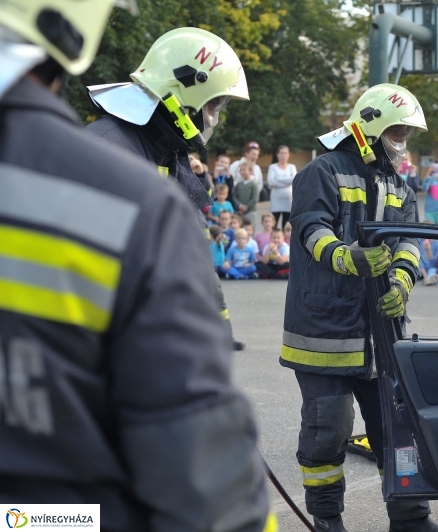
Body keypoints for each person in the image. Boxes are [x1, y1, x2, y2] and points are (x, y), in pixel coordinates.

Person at [0, 3, 273, 530]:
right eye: (213, 103)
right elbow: (202, 478)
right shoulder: (123, 185)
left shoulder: (138, 156)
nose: (214, 118)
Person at [281, 83, 438, 532]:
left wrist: (401, 278)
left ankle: (411, 518)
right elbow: (310, 229)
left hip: (380, 332)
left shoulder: (398, 183)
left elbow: (408, 241)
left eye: (407, 133)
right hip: (324, 330)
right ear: (371, 127)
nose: (403, 141)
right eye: (397, 131)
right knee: (327, 431)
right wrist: (347, 257)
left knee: (399, 432)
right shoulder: (322, 172)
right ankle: (326, 520)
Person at [85, 27, 248, 351]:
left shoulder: (167, 155)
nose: (213, 120)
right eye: (214, 106)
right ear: (182, 96)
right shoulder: (102, 152)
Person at [267, 145, 297, 228]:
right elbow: (271, 182)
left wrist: (278, 179)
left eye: (285, 153)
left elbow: (293, 179)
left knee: (286, 224)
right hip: (276, 200)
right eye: (281, 153)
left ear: (288, 154)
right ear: (277, 154)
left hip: (288, 200)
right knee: (274, 223)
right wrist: (287, 182)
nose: (283, 155)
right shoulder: (272, 167)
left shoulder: (291, 167)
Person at [232, 160, 260, 226]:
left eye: (244, 170)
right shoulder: (238, 184)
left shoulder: (253, 185)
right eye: (241, 170)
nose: (242, 172)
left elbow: (254, 199)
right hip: (239, 212)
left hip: (250, 212)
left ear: (250, 171)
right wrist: (240, 206)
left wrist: (246, 207)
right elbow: (234, 196)